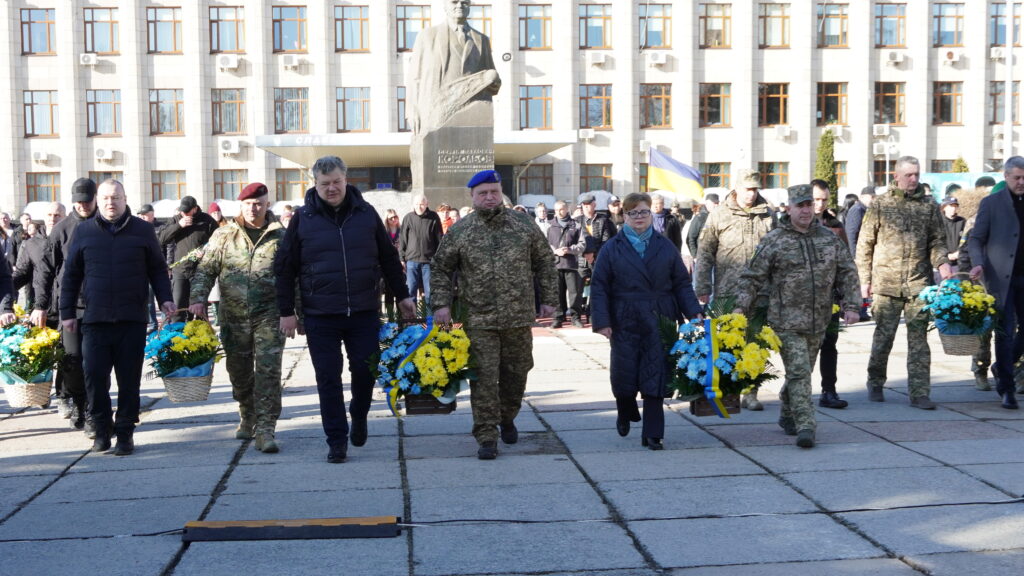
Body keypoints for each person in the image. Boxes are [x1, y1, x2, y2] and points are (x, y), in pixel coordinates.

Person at [275, 156, 414, 464]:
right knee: (328, 377)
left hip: (363, 311)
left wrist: (403, 295)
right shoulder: (303, 218)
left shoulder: (366, 214)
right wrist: (286, 310)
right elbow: (284, 267)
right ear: (315, 184)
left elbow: (388, 260)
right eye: (325, 184)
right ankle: (336, 440)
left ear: (346, 180)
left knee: (365, 371)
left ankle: (359, 413)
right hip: (320, 314)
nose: (332, 188)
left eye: (337, 182)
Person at [431, 169, 558, 460]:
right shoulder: (462, 230)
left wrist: (549, 300)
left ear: (500, 192)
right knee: (484, 379)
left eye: (493, 192)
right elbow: (441, 268)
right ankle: (486, 435)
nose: (489, 197)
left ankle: (507, 415)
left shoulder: (522, 224)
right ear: (473, 197)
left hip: (517, 317)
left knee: (517, 372)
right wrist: (441, 304)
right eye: (482, 193)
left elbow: (545, 263)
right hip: (479, 319)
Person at [734, 185, 861, 448]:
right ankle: (806, 425)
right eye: (799, 205)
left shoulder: (828, 238)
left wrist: (852, 305)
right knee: (800, 371)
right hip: (785, 320)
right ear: (789, 208)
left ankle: (787, 413)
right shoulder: (775, 240)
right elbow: (752, 277)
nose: (805, 210)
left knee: (800, 373)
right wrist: (740, 308)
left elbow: (847, 272)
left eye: (808, 205)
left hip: (819, 319)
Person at [61, 179, 175, 455]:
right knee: (95, 379)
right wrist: (66, 313)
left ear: (125, 199)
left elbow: (158, 270)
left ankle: (125, 432)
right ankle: (101, 430)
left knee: (129, 380)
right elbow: (71, 275)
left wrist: (166, 299)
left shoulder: (143, 230)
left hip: (131, 319)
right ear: (98, 201)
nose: (110, 203)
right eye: (105, 198)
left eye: (116, 197)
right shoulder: (84, 231)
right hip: (95, 320)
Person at [590, 193, 702, 450]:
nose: (639, 217)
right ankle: (624, 406)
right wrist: (603, 321)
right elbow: (599, 287)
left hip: (659, 317)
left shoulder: (664, 247)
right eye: (633, 213)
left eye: (643, 212)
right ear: (624, 216)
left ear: (651, 213)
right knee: (624, 372)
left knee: (657, 372)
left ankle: (653, 432)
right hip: (624, 318)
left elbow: (681, 284)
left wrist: (693, 311)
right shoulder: (612, 248)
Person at [190, 182, 288, 452]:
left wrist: (296, 313)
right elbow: (206, 268)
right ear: (240, 205)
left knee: (269, 370)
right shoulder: (224, 235)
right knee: (239, 372)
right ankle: (247, 413)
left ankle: (266, 428)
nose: (254, 208)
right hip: (233, 315)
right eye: (248, 204)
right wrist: (197, 299)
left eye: (259, 203)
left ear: (267, 205)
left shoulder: (281, 236)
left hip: (270, 315)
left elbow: (294, 276)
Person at [857, 156, 952, 409]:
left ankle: (920, 392)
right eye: (909, 175)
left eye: (917, 174)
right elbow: (865, 244)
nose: (913, 179)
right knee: (883, 337)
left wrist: (942, 262)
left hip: (918, 283)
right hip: (886, 284)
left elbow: (937, 241)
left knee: (919, 340)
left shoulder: (929, 206)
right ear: (896, 176)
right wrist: (864, 280)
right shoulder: (881, 204)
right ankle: (875, 381)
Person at [694, 169, 777, 410]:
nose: (751, 195)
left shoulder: (768, 215)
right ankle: (728, 390)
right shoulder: (720, 215)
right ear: (736, 188)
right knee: (728, 342)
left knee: (756, 342)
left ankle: (751, 392)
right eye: (747, 189)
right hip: (728, 292)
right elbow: (705, 252)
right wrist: (702, 286)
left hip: (761, 291)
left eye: (754, 190)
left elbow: (778, 252)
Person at [32, 179, 97, 431]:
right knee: (72, 361)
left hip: (101, 306)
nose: (83, 205)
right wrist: (40, 304)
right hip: (70, 308)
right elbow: (45, 271)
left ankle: (94, 410)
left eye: (87, 201)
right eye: (79, 201)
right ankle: (78, 405)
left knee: (96, 363)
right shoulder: (62, 229)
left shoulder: (104, 225)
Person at [969, 156, 1024, 409]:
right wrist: (978, 263)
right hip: (1001, 279)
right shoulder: (991, 204)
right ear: (1006, 177)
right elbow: (976, 239)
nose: (1021, 182)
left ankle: (1001, 367)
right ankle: (1007, 389)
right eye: (1017, 178)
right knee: (1004, 332)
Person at [407, 0, 501, 135]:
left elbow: (490, 75)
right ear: (445, 6)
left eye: (464, 2)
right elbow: (415, 76)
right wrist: (412, 109)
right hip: (437, 110)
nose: (459, 6)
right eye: (454, 2)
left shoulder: (482, 39)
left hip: (472, 112)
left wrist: (494, 81)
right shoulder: (427, 36)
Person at [811, 180, 850, 410]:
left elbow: (845, 263)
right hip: (801, 299)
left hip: (829, 298)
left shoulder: (835, 225)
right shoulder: (792, 225)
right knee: (802, 349)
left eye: (824, 200)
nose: (819, 204)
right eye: (816, 199)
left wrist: (847, 297)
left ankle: (829, 390)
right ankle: (796, 393)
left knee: (829, 345)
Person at [158, 196, 218, 321]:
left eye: (186, 211)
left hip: (200, 271)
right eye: (182, 211)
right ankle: (178, 337)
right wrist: (178, 226)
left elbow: (219, 241)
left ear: (195, 209)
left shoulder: (207, 220)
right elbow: (161, 239)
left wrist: (207, 252)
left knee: (199, 311)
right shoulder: (176, 220)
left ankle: (201, 338)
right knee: (177, 309)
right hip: (181, 271)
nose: (183, 214)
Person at [546, 200, 585, 329]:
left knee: (574, 293)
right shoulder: (550, 225)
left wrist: (569, 249)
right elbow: (544, 244)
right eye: (556, 210)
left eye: (561, 209)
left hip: (572, 264)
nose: (558, 212)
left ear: (567, 209)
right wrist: (555, 251)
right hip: (556, 264)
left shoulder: (576, 225)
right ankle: (558, 317)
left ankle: (575, 317)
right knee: (557, 293)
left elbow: (582, 244)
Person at [400, 193, 443, 307]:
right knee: (410, 293)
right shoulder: (408, 218)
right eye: (417, 204)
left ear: (427, 204)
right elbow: (403, 239)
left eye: (422, 204)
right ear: (413, 205)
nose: (419, 206)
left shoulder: (433, 217)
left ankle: (429, 321)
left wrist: (438, 258)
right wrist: (401, 258)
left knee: (429, 293)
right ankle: (411, 322)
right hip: (411, 261)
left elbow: (439, 238)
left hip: (428, 262)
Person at [685, 193, 719, 266]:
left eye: (717, 203)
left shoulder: (719, 217)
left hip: (716, 259)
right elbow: (690, 238)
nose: (716, 205)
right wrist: (695, 256)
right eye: (714, 203)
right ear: (707, 203)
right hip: (702, 259)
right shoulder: (699, 218)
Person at [382, 208, 402, 317]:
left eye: (396, 217)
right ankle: (390, 317)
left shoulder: (402, 230)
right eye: (391, 218)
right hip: (388, 264)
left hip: (400, 264)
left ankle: (400, 317)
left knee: (400, 291)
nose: (394, 219)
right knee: (389, 292)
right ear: (387, 220)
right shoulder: (384, 233)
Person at [940, 197, 965, 277]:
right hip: (942, 264)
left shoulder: (962, 221)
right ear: (944, 207)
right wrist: (946, 255)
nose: (953, 208)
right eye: (951, 206)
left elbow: (966, 239)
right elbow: (935, 242)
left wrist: (959, 252)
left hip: (959, 263)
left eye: (955, 206)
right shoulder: (938, 222)